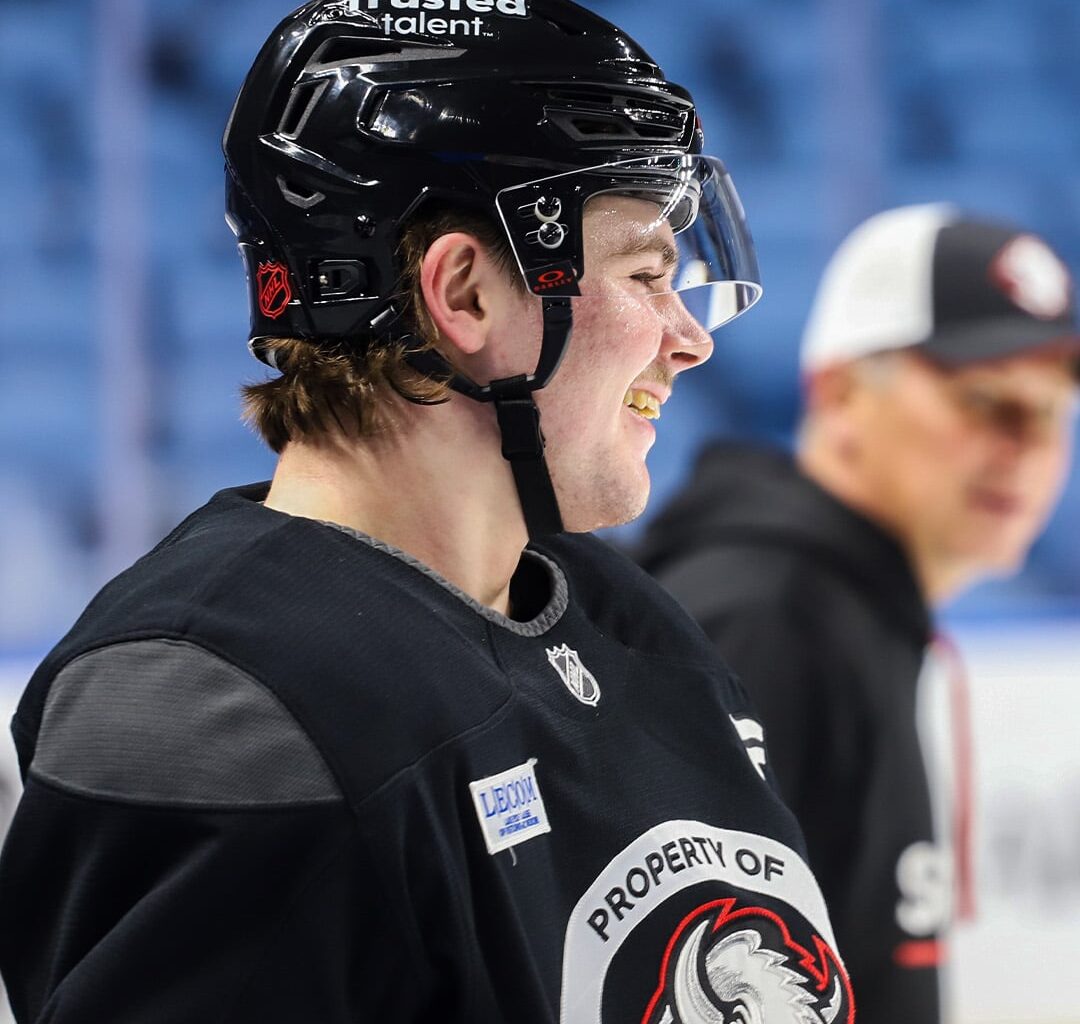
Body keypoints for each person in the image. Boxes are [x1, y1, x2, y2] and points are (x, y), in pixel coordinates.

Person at [0, 2, 857, 1022]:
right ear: (466, 295)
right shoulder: (209, 695)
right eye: (645, 275)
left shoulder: (625, 617)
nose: (689, 340)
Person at [637, 203, 1080, 1024]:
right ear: (840, 395)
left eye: (1050, 412)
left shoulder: (844, 612)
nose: (1025, 448)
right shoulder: (764, 622)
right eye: (987, 402)